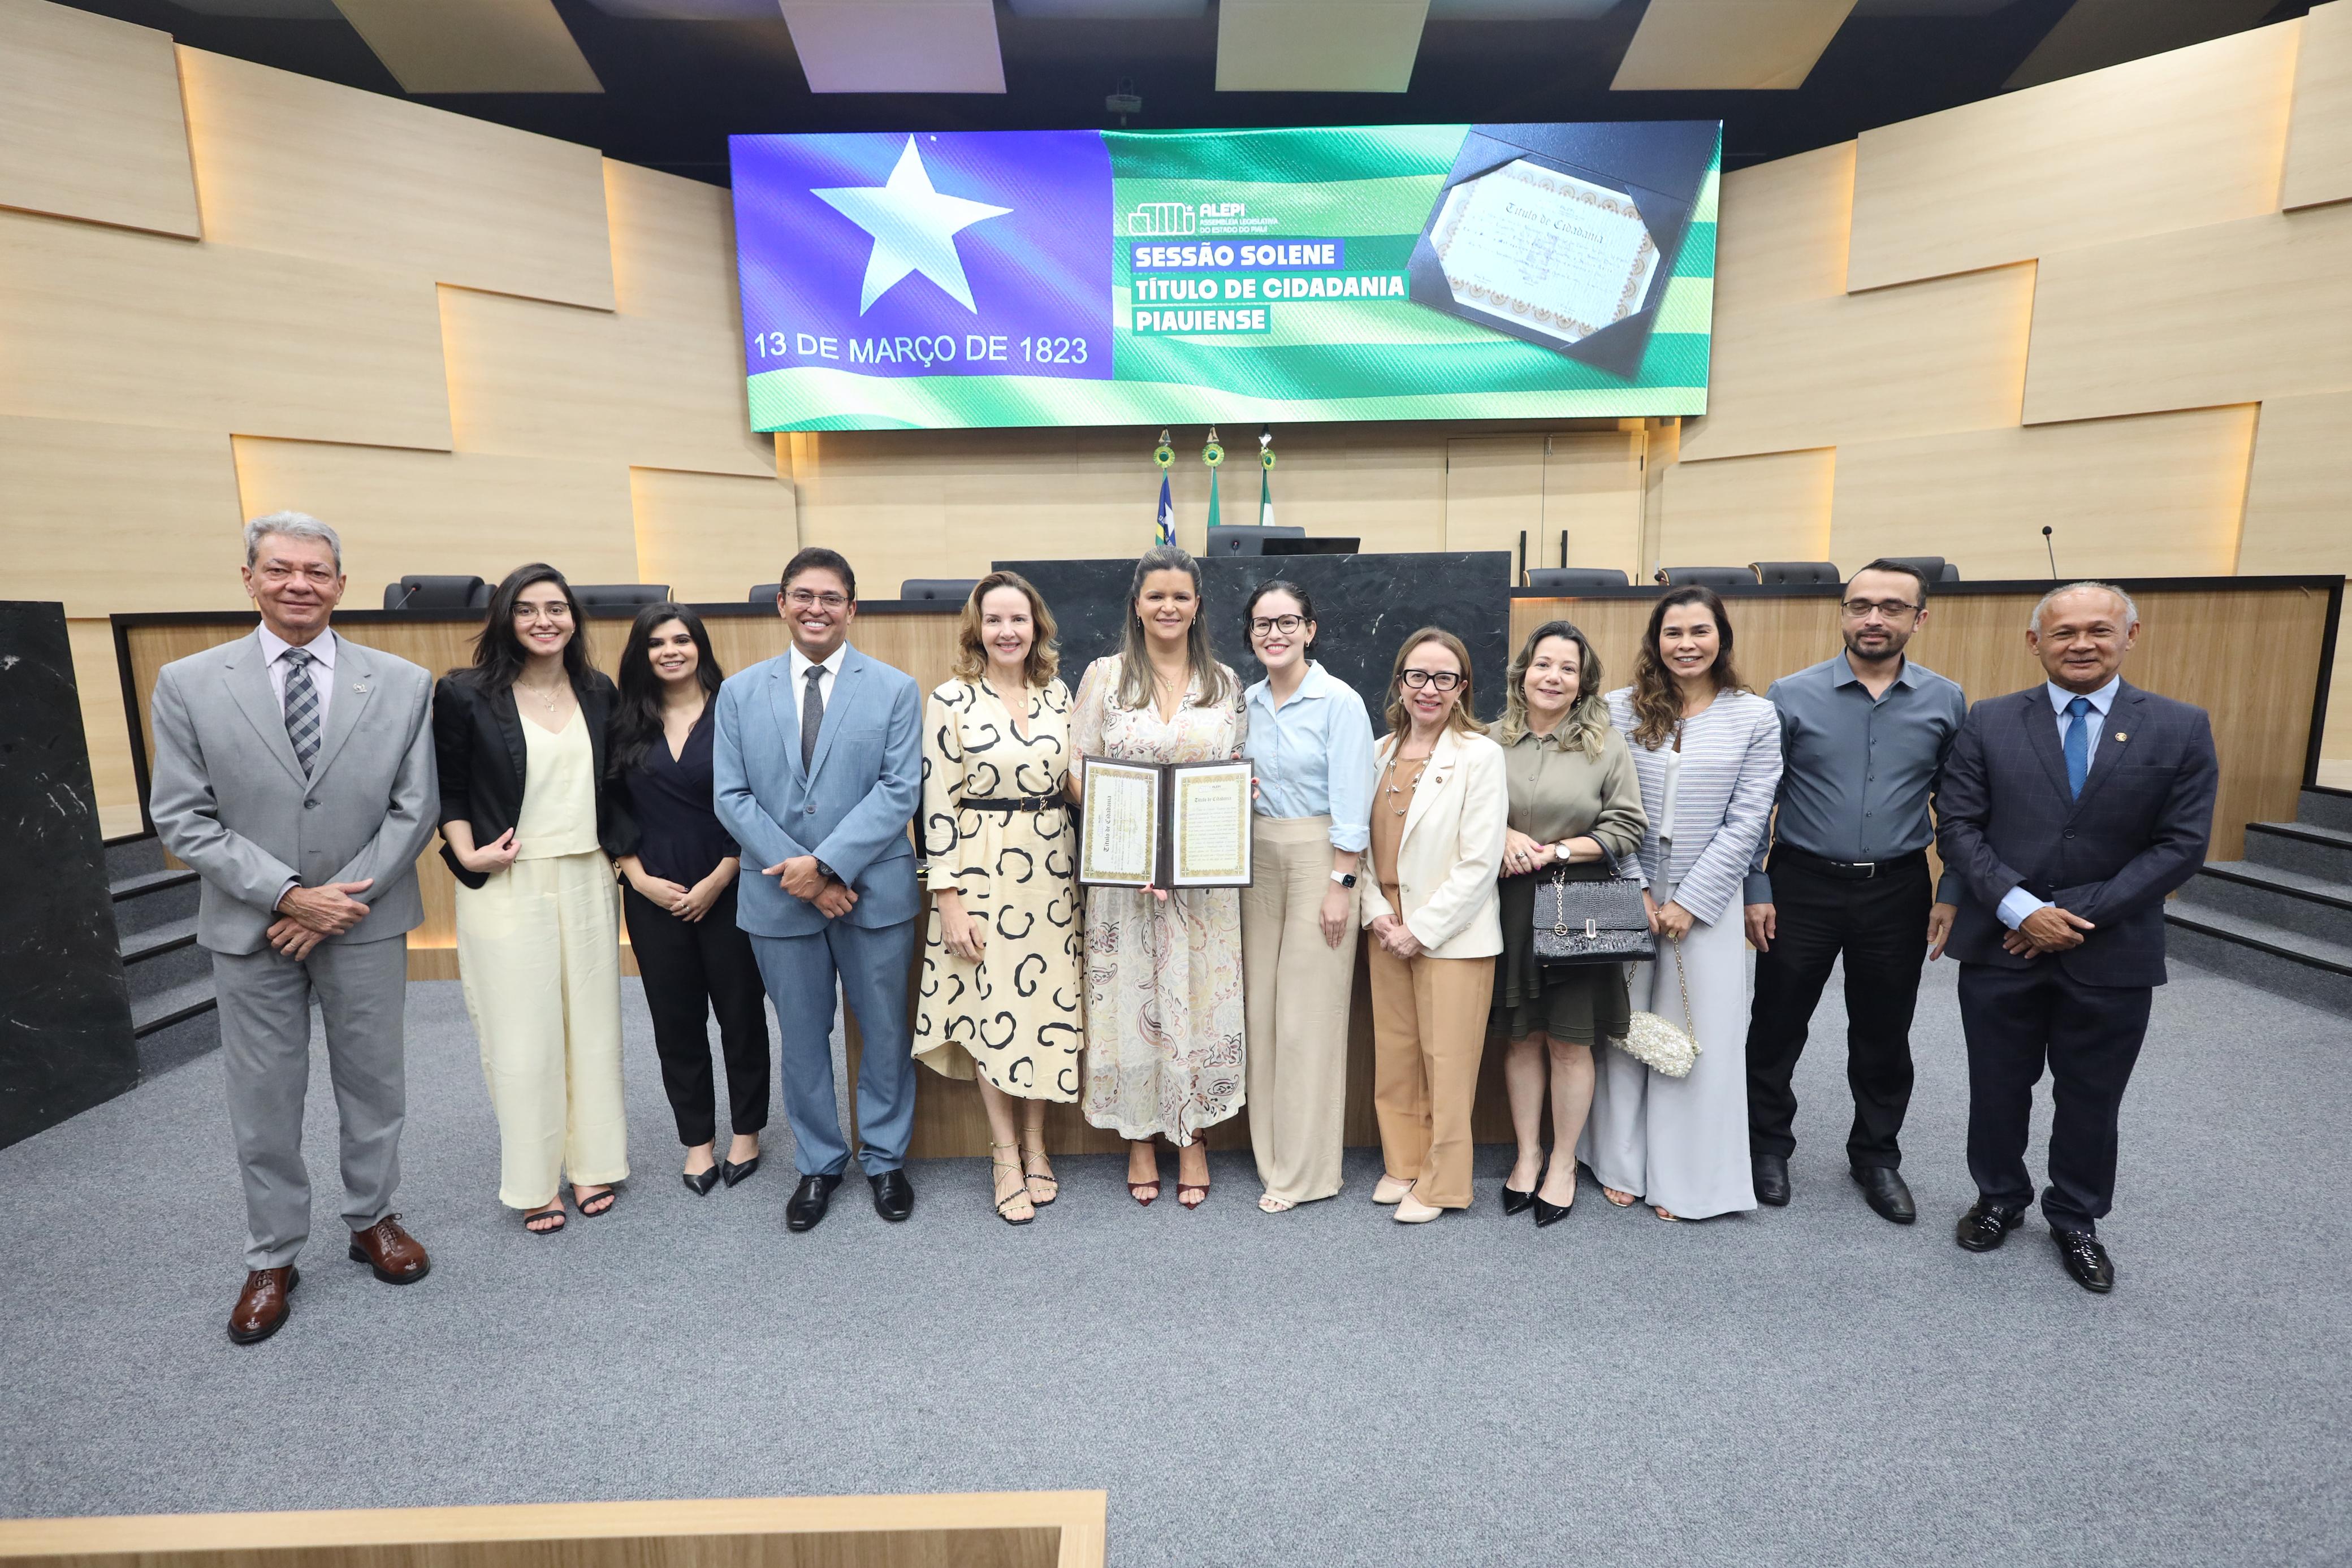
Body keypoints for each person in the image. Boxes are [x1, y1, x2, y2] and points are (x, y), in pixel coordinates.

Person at [149, 512, 438, 1344]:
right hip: (252, 929)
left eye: (316, 571)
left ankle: (371, 1217)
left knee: (374, 1085)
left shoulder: (402, 681)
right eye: (280, 570)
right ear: (249, 578)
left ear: (342, 584)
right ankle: (273, 1253)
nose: (299, 584)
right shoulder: (191, 682)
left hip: (366, 921)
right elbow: (183, 817)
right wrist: (286, 895)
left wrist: (337, 901)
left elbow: (414, 808)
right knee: (265, 1098)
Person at [1938, 582, 2216, 1294]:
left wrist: (2068, 916)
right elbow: (1958, 827)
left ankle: (2075, 1218)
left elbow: (2180, 846)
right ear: (2035, 643)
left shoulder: (2179, 727)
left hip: (2112, 950)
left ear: (2130, 635)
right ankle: (1998, 1197)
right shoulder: (1989, 720)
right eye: (2063, 632)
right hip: (2002, 945)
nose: (2081, 643)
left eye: (2098, 629)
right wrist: (2019, 909)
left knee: (2091, 1096)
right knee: (1997, 1087)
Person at [1741, 560, 1967, 1225]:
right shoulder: (1790, 694)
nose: (1873, 618)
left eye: (1891, 607)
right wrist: (1756, 883)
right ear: (1841, 613)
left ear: (1918, 618)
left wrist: (1950, 886)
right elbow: (1760, 800)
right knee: (1777, 1024)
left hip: (1895, 889)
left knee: (1882, 1031)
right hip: (1799, 883)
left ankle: (1875, 1155)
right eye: (1860, 605)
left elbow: (1954, 804)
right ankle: (1765, 1146)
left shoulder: (1944, 700)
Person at [715, 547, 923, 1233]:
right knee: (803, 1037)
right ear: (781, 603)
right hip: (778, 895)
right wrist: (802, 874)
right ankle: (819, 1162)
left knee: (884, 1030)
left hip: (873, 893)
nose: (815, 608)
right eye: (802, 595)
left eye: (830, 597)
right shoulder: (741, 691)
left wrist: (828, 866)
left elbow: (899, 791)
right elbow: (731, 796)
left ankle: (886, 1157)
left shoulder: (892, 687)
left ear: (852, 608)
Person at [434, 563, 636, 1235]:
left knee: (593, 1028)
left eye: (556, 608)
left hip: (585, 876)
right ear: (505, 620)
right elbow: (452, 788)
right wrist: (466, 853)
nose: (544, 620)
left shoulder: (598, 691)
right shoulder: (465, 693)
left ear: (574, 618)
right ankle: (533, 1179)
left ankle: (592, 1161)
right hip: (507, 879)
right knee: (522, 1036)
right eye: (527, 609)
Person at [1585, 587, 1782, 1222]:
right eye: (1673, 632)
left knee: (1698, 1035)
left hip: (1709, 899)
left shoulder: (1753, 716)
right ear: (1654, 639)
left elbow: (1749, 821)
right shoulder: (1618, 708)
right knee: (1621, 1027)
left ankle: (1687, 1177)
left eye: (1700, 631)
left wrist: (1690, 903)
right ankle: (1618, 1160)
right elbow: (1604, 802)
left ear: (1720, 637)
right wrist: (1639, 887)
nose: (1686, 644)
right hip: (1626, 887)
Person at [1069, 544, 1248, 1209]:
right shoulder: (1106, 676)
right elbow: (1075, 769)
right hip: (1125, 880)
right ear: (1137, 606)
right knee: (1130, 1000)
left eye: (1180, 596)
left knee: (1198, 999)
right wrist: (1145, 841)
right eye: (1156, 596)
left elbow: (1233, 766)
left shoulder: (1224, 682)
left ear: (1197, 605)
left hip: (1202, 886)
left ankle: (1192, 1132)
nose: (1168, 606)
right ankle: (1140, 1137)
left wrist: (1235, 798)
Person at [911, 572, 1083, 1225]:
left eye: (1018, 618)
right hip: (980, 869)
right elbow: (936, 806)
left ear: (1035, 625)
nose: (1007, 630)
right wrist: (947, 898)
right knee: (992, 1008)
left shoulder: (1057, 694)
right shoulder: (951, 698)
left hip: (1050, 868)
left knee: (1045, 1004)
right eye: (994, 620)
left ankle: (1038, 1142)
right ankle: (1004, 1153)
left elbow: (1074, 785)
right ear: (976, 629)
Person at [609, 603, 772, 1197]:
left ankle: (747, 1130)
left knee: (740, 1015)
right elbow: (608, 803)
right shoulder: (623, 719)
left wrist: (724, 871)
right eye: (657, 642)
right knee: (676, 1022)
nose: (670, 650)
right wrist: (636, 875)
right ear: (642, 653)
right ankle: (696, 1139)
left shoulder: (736, 710)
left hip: (729, 887)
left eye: (682, 639)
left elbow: (759, 796)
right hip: (653, 894)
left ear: (700, 646)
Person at [1490, 621, 1646, 1228]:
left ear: (1582, 684)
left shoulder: (1603, 744)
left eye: (1566, 668)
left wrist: (1556, 850)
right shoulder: (1488, 739)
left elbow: (1625, 827)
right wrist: (1501, 832)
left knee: (1568, 1039)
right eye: (1542, 664)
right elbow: (1462, 807)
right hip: (1505, 903)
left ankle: (1562, 1161)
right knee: (1521, 1034)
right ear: (1522, 673)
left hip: (1576, 904)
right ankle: (1525, 1155)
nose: (1551, 676)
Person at [1360, 627, 1508, 1225]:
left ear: (1461, 688)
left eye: (1443, 678)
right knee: (1396, 1054)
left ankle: (1444, 1183)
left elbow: (1479, 861)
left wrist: (1419, 929)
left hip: (1449, 931)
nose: (1428, 688)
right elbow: (1356, 846)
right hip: (1385, 924)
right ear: (1399, 681)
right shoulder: (1376, 751)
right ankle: (1403, 1161)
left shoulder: (1480, 754)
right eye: (1416, 675)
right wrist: (1376, 913)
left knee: (1445, 1061)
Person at [1238, 580, 1375, 1214]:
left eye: (1287, 621)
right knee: (1261, 1013)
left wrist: (1340, 884)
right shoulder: (1244, 702)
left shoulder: (1338, 701)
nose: (1274, 633)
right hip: (1254, 859)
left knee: (1306, 1021)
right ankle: (1271, 1157)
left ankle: (1306, 1171)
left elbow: (1354, 803)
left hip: (1321, 860)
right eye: (1263, 624)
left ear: (1310, 629)